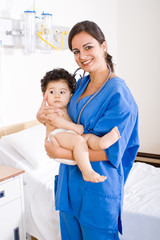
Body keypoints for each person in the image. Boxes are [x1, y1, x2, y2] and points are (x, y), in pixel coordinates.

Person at [37, 20, 139, 240]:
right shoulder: (80, 84)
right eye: (75, 50)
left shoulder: (119, 94)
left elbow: (112, 151)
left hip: (97, 189)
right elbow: (59, 111)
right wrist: (42, 116)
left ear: (104, 46)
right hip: (69, 184)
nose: (81, 55)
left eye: (88, 47)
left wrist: (61, 153)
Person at [41, 68, 120, 183]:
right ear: (44, 95)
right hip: (56, 136)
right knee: (79, 140)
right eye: (52, 92)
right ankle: (87, 172)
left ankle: (100, 143)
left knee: (87, 138)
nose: (57, 96)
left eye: (62, 92)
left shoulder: (67, 107)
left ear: (70, 95)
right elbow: (56, 121)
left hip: (69, 136)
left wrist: (75, 130)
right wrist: (75, 127)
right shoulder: (49, 110)